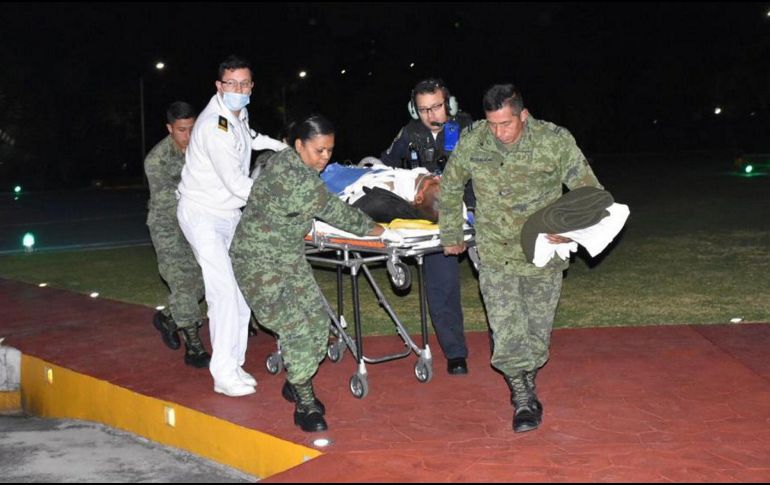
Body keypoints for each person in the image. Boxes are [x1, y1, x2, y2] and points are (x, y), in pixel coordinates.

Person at [439, 83, 604, 433]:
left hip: (543, 253)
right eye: (492, 124)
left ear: (523, 116)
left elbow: (589, 192)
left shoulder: (554, 141)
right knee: (506, 329)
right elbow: (451, 184)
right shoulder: (474, 140)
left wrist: (573, 230)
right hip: (495, 253)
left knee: (536, 333)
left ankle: (526, 376)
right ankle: (522, 397)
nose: (498, 133)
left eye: (506, 124)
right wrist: (451, 234)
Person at [230, 115, 384, 432]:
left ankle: (296, 378)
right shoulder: (294, 176)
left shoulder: (291, 161)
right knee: (296, 328)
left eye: (329, 150)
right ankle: (305, 403)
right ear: (299, 145)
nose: (325, 157)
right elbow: (332, 210)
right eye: (319, 151)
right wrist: (373, 229)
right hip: (257, 261)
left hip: (287, 256)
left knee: (317, 321)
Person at [177, 55, 288, 398]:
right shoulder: (214, 126)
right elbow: (238, 186)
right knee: (223, 291)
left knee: (240, 291)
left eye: (244, 84)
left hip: (228, 214)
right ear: (219, 87)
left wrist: (283, 148)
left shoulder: (238, 114)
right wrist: (283, 198)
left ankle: (234, 363)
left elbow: (251, 137)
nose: (238, 90)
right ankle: (223, 374)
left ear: (251, 86)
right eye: (232, 84)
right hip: (203, 214)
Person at [380, 78, 473, 375]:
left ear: (450, 104)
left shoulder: (470, 128)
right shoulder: (409, 133)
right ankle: (455, 353)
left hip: (475, 214)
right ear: (413, 110)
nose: (432, 115)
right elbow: (384, 166)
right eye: (423, 110)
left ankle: (507, 349)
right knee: (441, 286)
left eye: (437, 107)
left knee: (496, 282)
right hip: (433, 219)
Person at [145, 101, 210, 368]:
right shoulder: (157, 160)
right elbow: (169, 203)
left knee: (205, 280)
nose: (189, 136)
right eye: (182, 130)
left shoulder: (203, 149)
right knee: (183, 282)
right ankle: (194, 345)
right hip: (168, 225)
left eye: (193, 129)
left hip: (199, 220)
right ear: (170, 128)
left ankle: (169, 319)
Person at [320, 160, 442, 222]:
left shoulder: (390, 189)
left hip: (334, 180)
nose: (438, 178)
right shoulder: (412, 180)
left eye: (435, 183)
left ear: (419, 198)